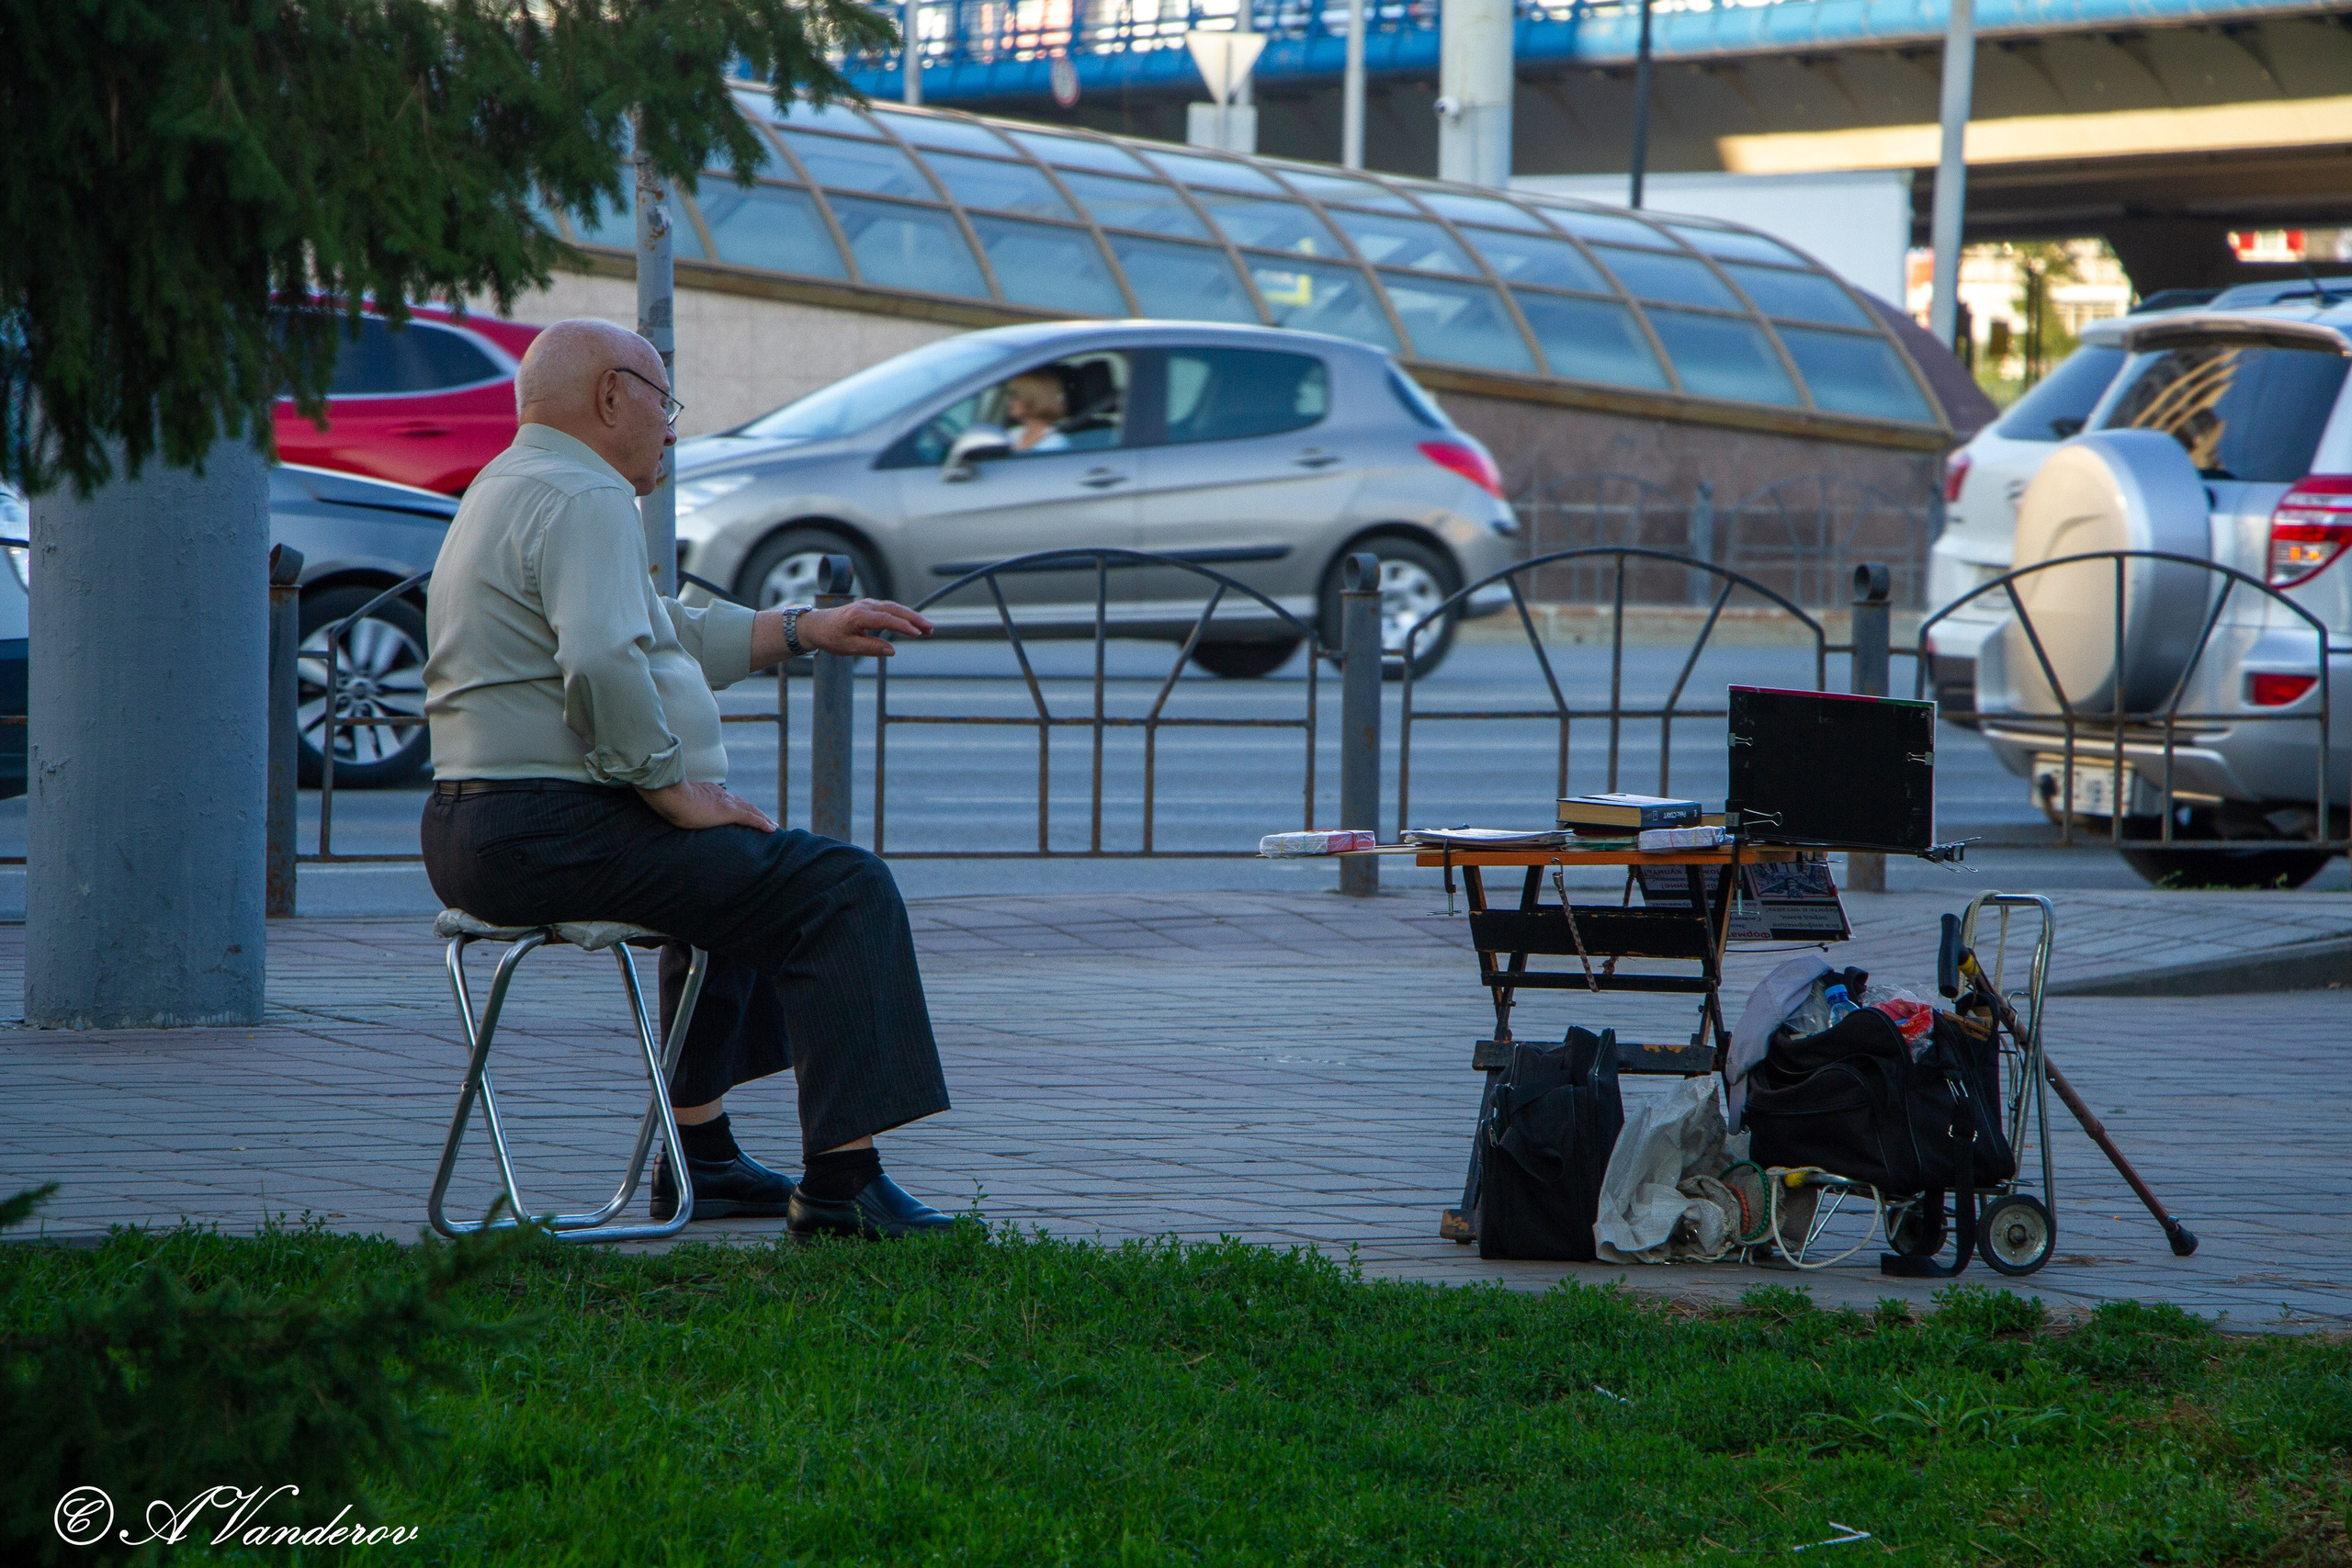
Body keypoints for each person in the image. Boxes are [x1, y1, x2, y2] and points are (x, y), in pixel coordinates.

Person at [419, 318, 956, 1239]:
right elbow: (599, 659)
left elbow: (653, 627)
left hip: (482, 830)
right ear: (611, 397)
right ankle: (842, 1188)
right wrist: (670, 789)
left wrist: (803, 629)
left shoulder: (513, 484)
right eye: (665, 404)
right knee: (839, 889)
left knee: (747, 865)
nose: (672, 428)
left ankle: (699, 1155)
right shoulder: (579, 495)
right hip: (545, 827)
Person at [1001, 368, 1070, 454]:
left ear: (1034, 398)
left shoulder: (1054, 443)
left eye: (1015, 395)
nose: (1008, 400)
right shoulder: (1012, 434)